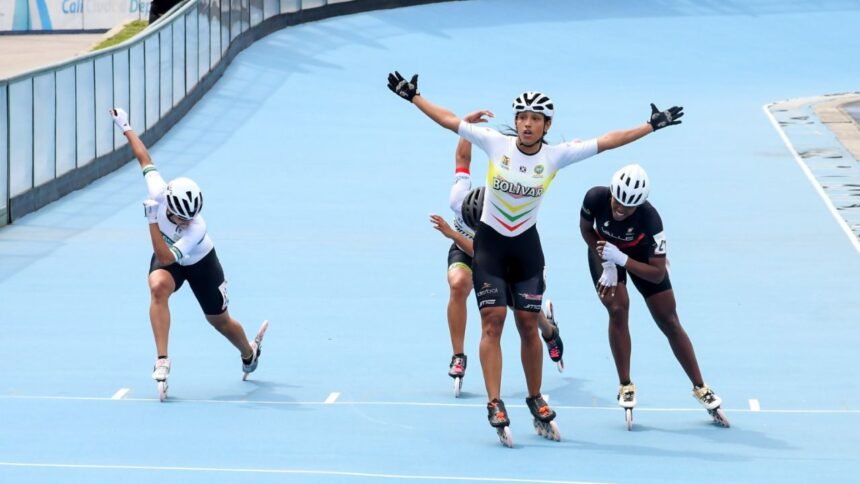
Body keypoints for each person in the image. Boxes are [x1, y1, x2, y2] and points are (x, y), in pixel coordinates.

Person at [387, 71, 683, 444]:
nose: (527, 124)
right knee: (492, 323)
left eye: (535, 119)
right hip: (491, 247)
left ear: (547, 125)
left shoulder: (555, 156)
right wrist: (414, 97)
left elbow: (608, 141)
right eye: (522, 117)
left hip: (526, 249)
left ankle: (534, 397)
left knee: (528, 325)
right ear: (516, 122)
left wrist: (650, 126)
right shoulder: (496, 143)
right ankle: (494, 402)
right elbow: (450, 121)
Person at [109, 107, 267, 401]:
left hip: (200, 262)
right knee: (157, 288)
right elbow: (144, 157)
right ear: (168, 202)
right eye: (179, 218)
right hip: (172, 260)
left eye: (188, 218)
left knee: (219, 322)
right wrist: (125, 124)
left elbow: (167, 257)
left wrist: (152, 221)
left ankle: (249, 352)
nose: (184, 222)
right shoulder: (158, 190)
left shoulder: (196, 228)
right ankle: (162, 359)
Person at [579, 164, 728, 427]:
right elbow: (586, 230)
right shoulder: (595, 197)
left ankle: (701, 386)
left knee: (668, 319)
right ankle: (625, 384)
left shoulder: (651, 219)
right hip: (604, 254)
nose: (620, 209)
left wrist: (622, 258)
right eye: (617, 201)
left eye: (627, 207)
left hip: (641, 260)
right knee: (618, 308)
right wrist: (608, 261)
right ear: (611, 191)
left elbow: (657, 274)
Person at [429, 135, 566, 399]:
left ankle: (549, 331)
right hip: (466, 249)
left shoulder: (500, 215)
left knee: (521, 308)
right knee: (458, 285)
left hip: (496, 251)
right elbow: (462, 159)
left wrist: (452, 234)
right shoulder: (458, 199)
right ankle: (458, 355)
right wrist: (465, 129)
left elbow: (481, 251)